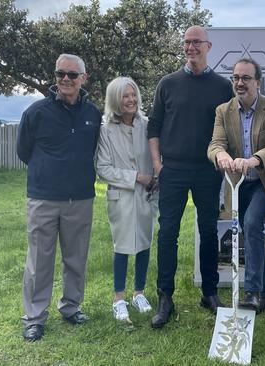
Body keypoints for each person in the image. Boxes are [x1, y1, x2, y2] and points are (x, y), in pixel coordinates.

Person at [147, 25, 234, 328]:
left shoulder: (223, 87)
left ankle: (209, 293)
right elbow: (154, 126)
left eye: (196, 42)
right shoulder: (167, 83)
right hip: (172, 170)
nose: (190, 47)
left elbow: (228, 130)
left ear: (208, 46)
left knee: (209, 231)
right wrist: (158, 165)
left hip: (207, 171)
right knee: (168, 233)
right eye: (186, 42)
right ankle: (165, 297)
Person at [17, 54, 101, 341]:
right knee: (39, 259)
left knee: (76, 258)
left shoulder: (93, 114)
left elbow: (92, 150)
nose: (65, 79)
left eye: (72, 75)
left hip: (80, 197)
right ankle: (35, 317)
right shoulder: (36, 112)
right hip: (43, 197)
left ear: (83, 79)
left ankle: (71, 306)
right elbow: (23, 151)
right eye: (60, 73)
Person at [207, 58, 265, 313]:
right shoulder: (223, 111)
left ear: (258, 82)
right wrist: (220, 155)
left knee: (252, 223)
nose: (239, 83)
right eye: (236, 78)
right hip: (238, 185)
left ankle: (252, 292)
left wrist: (253, 160)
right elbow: (215, 143)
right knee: (250, 231)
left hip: (264, 182)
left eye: (245, 78)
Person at [96, 77, 158, 322]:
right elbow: (104, 168)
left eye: (133, 95)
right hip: (121, 196)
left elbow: (157, 155)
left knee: (144, 243)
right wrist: (136, 177)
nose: (131, 100)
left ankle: (139, 292)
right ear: (115, 99)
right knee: (122, 246)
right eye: (125, 96)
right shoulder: (106, 130)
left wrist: (153, 178)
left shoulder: (148, 125)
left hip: (147, 195)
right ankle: (118, 298)